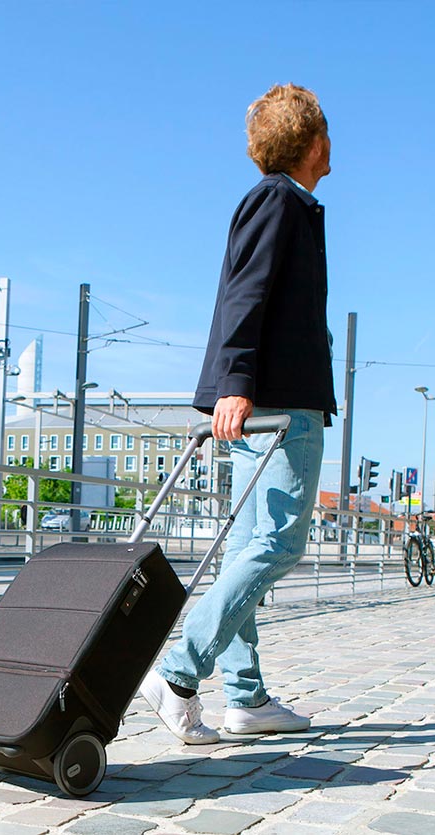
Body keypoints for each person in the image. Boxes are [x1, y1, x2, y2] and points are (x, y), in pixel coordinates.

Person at [140, 83, 336, 744]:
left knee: (247, 552)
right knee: (279, 542)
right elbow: (243, 293)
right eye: (327, 132)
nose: (333, 144)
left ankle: (246, 697)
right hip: (279, 406)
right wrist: (236, 382)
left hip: (269, 400)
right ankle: (176, 671)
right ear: (311, 143)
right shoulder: (278, 200)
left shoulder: (288, 203)